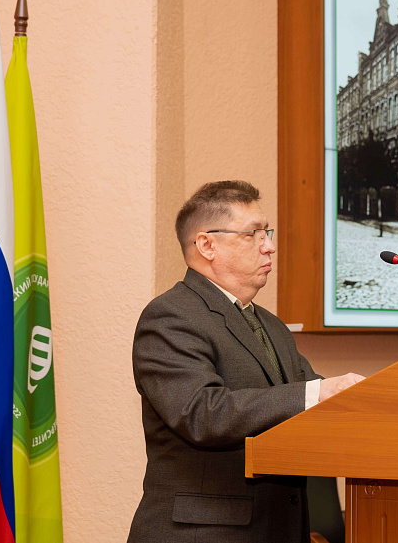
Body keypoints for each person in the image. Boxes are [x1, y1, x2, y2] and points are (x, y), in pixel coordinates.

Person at [128, 181, 364, 542]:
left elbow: (314, 402)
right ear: (207, 245)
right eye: (253, 234)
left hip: (279, 528)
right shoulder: (170, 317)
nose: (269, 246)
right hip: (207, 533)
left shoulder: (271, 325)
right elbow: (202, 413)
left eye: (267, 232)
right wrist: (318, 393)